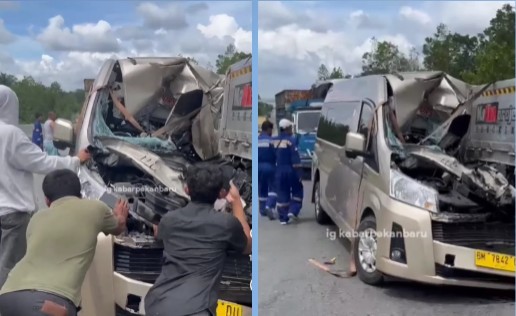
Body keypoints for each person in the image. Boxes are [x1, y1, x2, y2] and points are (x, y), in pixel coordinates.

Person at [0, 169, 129, 316]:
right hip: (50, 302)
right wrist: (121, 213)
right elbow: (119, 226)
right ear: (79, 194)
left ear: (47, 200)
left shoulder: (36, 219)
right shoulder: (96, 207)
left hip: (9, 295)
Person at [0, 85, 91, 288]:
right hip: (12, 216)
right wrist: (75, 160)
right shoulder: (10, 134)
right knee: (10, 268)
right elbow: (42, 163)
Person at [145, 165, 252, 316]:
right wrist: (236, 203)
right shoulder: (227, 224)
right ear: (220, 194)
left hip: (158, 304)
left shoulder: (169, 220)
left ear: (187, 190)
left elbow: (159, 233)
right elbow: (248, 246)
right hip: (196, 309)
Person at [270, 119, 303, 225]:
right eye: (291, 128)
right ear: (287, 128)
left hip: (278, 172)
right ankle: (293, 211)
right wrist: (299, 174)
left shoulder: (273, 140)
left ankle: (283, 218)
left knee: (282, 193)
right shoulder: (291, 140)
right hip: (290, 171)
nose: (292, 130)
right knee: (298, 190)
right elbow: (295, 158)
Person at [258, 120, 276, 217]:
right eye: (271, 130)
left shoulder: (257, 139)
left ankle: (262, 210)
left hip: (258, 167)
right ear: (268, 129)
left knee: (262, 188)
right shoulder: (270, 140)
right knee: (274, 187)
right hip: (269, 166)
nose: (272, 132)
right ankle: (269, 206)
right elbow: (275, 154)